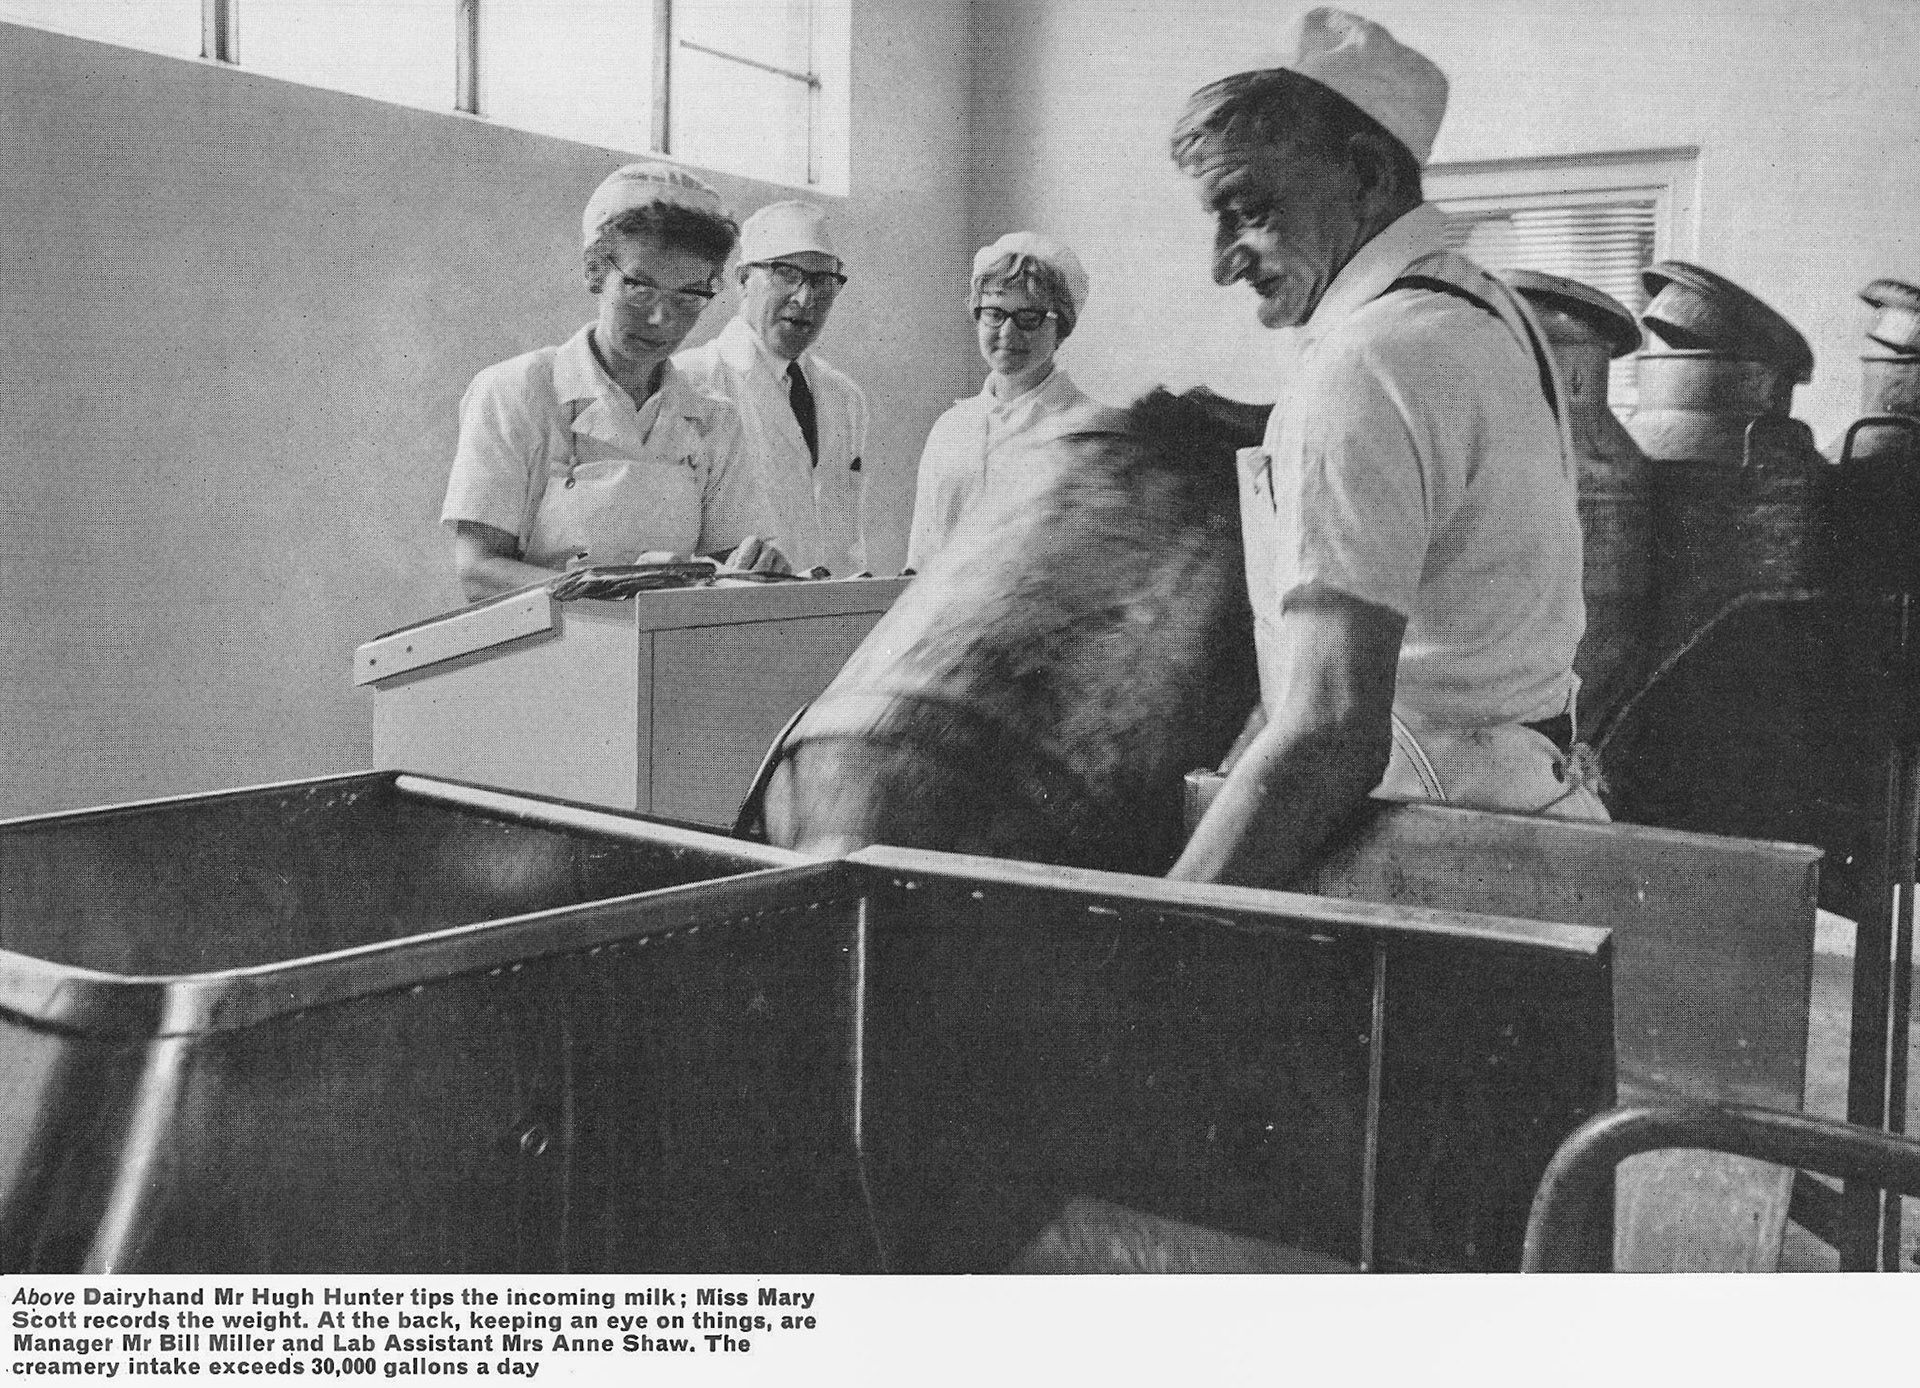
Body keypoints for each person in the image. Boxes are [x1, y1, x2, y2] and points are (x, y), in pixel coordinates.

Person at [1169, 7, 1605, 893]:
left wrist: (1161, 915)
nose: (1223, 261)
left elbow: (1332, 734)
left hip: (1433, 838)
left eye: (1248, 210)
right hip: (1522, 804)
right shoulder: (1483, 307)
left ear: (1365, 172)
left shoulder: (1370, 358)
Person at [442, 163, 787, 602]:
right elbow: (478, 570)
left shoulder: (714, 419)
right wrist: (615, 590)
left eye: (688, 297)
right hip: (545, 653)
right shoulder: (516, 390)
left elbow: (729, 566)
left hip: (667, 652)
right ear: (594, 272)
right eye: (640, 288)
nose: (662, 319)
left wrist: (758, 566)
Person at [675, 201, 871, 575]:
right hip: (733, 616)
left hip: (834, 616)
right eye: (786, 274)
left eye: (823, 281)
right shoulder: (692, 381)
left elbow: (846, 539)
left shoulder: (845, 397)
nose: (806, 298)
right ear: (743, 281)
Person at [905, 232, 1119, 572]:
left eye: (1029, 318)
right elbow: (921, 557)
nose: (1007, 333)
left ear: (1061, 327)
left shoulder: (1088, 430)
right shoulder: (950, 428)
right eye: (994, 313)